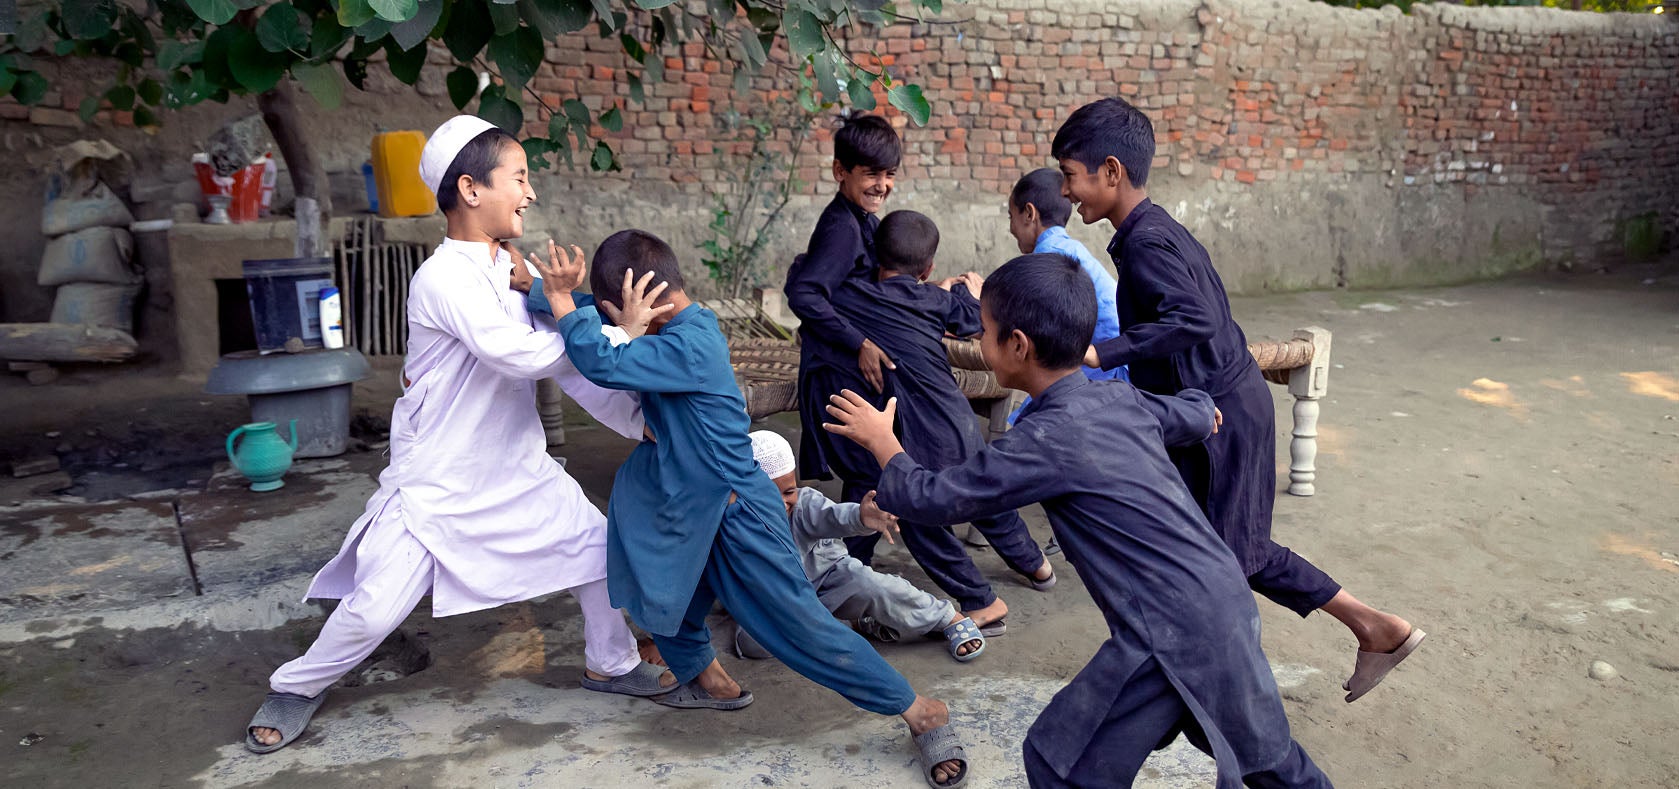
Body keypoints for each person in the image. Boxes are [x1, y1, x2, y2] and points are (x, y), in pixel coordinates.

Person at [242, 116, 671, 754]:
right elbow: (519, 356)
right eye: (519, 178)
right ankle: (298, 686)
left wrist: (639, 422)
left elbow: (566, 360)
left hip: (517, 467)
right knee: (374, 609)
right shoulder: (441, 277)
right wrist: (617, 335)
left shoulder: (516, 270)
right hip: (440, 481)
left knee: (597, 551)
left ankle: (610, 664)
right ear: (471, 190)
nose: (530, 194)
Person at [824, 253, 1333, 789]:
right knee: (1266, 760)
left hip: (1166, 630)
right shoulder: (1115, 397)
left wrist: (884, 443)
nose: (981, 340)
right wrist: (1204, 411)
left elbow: (938, 497)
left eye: (987, 330)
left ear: (1017, 346)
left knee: (1059, 763)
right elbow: (1183, 414)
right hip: (1222, 602)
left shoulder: (1044, 442)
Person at [526, 229, 971, 788]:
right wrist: (541, 289)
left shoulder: (689, 345)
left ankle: (917, 708)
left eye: (622, 312)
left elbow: (601, 357)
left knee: (801, 628)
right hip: (696, 509)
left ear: (651, 303)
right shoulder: (671, 326)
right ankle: (706, 679)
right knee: (671, 593)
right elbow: (599, 313)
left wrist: (565, 305)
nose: (617, 320)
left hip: (738, 514)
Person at [1053, 97, 1423, 702]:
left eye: (1071, 175)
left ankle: (1353, 636)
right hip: (1215, 410)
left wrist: (1104, 353)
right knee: (1212, 549)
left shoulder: (1146, 244)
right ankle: (1364, 630)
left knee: (1229, 559)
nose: (1068, 192)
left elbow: (1194, 316)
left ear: (1111, 172)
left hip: (1223, 418)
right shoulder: (1152, 230)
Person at [824, 210, 1054, 635]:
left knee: (918, 512)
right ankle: (1037, 566)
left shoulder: (853, 296)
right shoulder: (934, 299)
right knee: (986, 500)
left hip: (920, 430)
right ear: (928, 268)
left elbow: (814, 290)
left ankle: (982, 602)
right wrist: (958, 291)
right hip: (957, 418)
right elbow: (971, 316)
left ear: (876, 258)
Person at [735, 430, 988, 663]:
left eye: (788, 492)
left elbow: (832, 516)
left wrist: (861, 517)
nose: (782, 503)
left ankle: (947, 618)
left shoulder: (805, 504)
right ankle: (852, 623)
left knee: (872, 585)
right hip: (778, 600)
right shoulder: (734, 519)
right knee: (753, 645)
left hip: (828, 579)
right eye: (770, 494)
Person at [1006, 167, 1130, 556]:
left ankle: (1014, 519)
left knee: (1026, 428)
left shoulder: (1050, 258)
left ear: (1028, 213)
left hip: (1105, 365)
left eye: (1011, 218)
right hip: (1103, 358)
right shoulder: (1065, 248)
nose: (1011, 230)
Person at [784, 113, 901, 485]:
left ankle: (852, 543)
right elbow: (804, 294)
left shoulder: (864, 219)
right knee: (869, 471)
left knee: (871, 468)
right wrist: (861, 342)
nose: (882, 185)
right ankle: (853, 542)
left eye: (890, 174)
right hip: (835, 369)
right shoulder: (842, 229)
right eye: (871, 174)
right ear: (840, 171)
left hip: (850, 365)